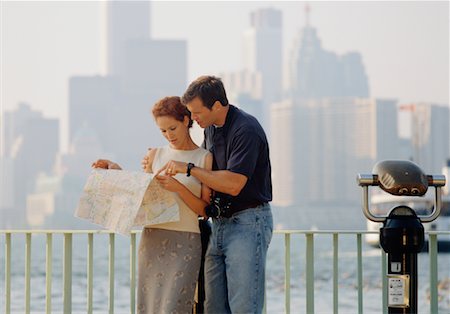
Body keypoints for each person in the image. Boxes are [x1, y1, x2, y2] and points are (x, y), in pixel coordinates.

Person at [151, 76, 273, 314]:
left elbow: (234, 184)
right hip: (219, 224)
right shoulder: (211, 130)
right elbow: (206, 174)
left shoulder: (245, 129)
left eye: (197, 113)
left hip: (248, 223)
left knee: (244, 307)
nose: (193, 120)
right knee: (213, 307)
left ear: (217, 105)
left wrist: (189, 169)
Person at [92, 96, 213, 314]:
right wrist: (115, 170)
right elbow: (141, 194)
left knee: (176, 307)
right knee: (149, 308)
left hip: (186, 240)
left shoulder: (203, 158)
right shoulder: (155, 155)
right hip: (152, 240)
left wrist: (178, 188)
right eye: (163, 131)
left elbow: (205, 211)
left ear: (186, 120)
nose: (169, 135)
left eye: (173, 128)